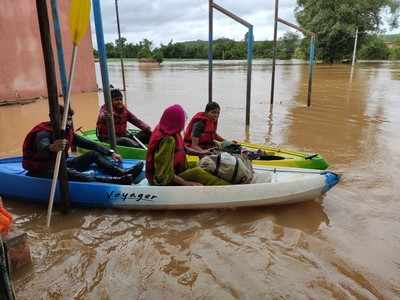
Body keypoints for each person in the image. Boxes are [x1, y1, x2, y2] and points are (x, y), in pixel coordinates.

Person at [22, 105, 143, 185]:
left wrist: (110, 152)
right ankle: (116, 181)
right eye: (66, 119)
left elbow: (90, 144)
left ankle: (122, 173)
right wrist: (52, 147)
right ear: (53, 118)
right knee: (73, 174)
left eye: (69, 119)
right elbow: (43, 145)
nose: (68, 123)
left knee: (93, 154)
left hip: (61, 164)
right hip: (42, 170)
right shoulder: (43, 132)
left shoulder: (67, 131)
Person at [145, 104, 228, 186]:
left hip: (177, 170)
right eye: (182, 120)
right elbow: (164, 173)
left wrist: (201, 153)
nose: (184, 122)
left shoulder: (168, 129)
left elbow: (184, 149)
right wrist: (186, 183)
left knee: (204, 164)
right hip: (164, 180)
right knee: (198, 173)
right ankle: (227, 187)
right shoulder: (168, 140)